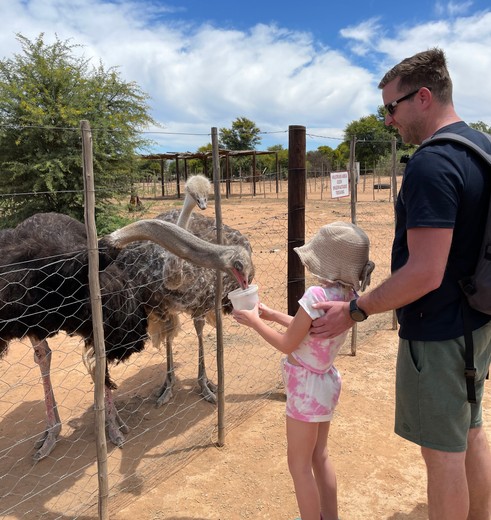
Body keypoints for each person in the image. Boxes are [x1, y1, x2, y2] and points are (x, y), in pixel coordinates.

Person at [310, 48, 491, 520]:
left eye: (392, 107)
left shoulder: (431, 164)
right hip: (477, 321)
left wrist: (355, 310)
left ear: (424, 97)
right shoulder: (482, 148)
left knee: (442, 455)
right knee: (469, 429)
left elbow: (425, 272)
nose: (388, 120)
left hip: (440, 332)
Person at [232, 221, 374, 520]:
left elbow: (287, 344)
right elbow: (306, 331)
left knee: (298, 464)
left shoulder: (315, 296)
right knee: (319, 456)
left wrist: (255, 322)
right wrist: (271, 314)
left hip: (305, 389)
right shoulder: (347, 298)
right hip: (325, 383)